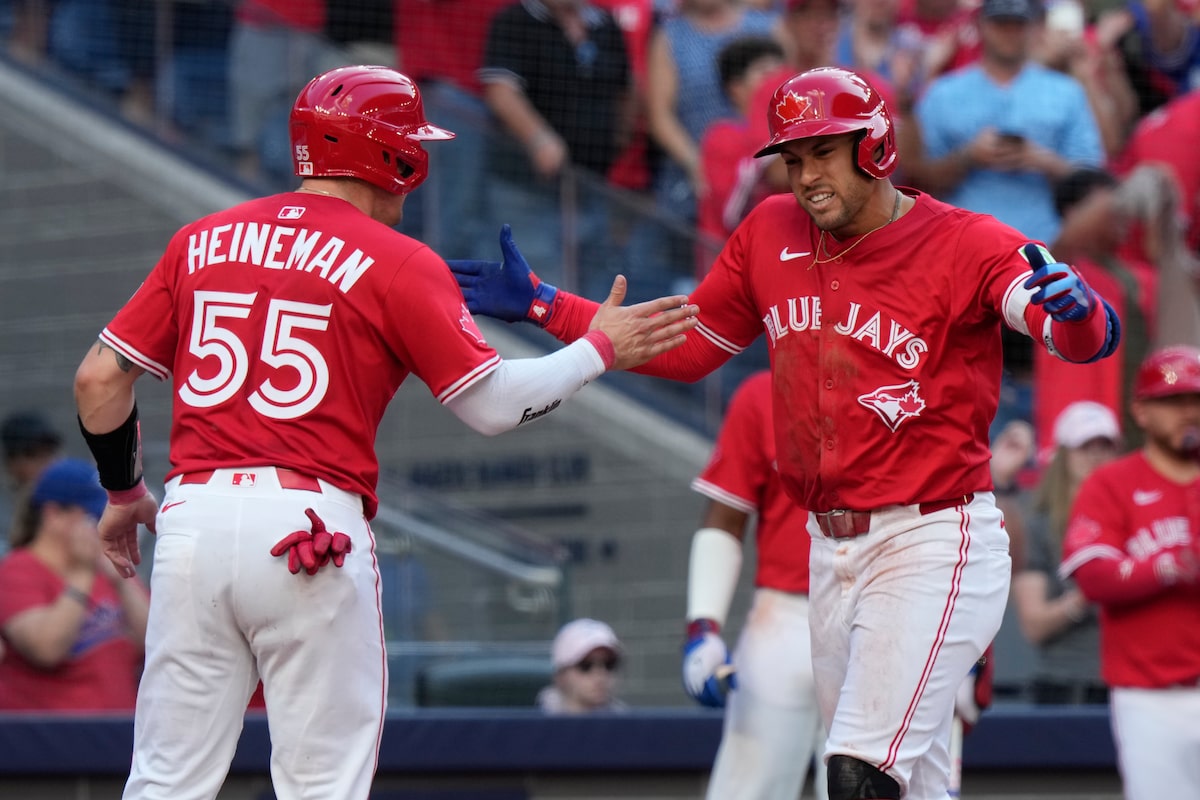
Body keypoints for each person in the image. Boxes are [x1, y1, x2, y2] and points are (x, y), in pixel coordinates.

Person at [451, 66, 1121, 800]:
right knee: (909, 784)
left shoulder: (965, 242)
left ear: (875, 148)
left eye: (822, 154)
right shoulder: (769, 230)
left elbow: (1070, 331)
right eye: (793, 159)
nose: (804, 177)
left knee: (858, 772)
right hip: (826, 549)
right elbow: (690, 342)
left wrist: (1081, 313)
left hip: (932, 538)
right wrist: (549, 306)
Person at [71, 64, 698, 800]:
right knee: (321, 788)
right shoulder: (398, 258)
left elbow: (97, 381)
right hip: (306, 531)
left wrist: (122, 489)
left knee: (164, 783)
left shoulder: (200, 239)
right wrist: (597, 349)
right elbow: (491, 406)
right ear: (391, 156)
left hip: (191, 524)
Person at [1058, 345, 1200, 800]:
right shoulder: (1112, 483)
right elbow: (1093, 575)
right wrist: (1167, 567)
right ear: (1141, 410)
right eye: (1173, 402)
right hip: (1150, 696)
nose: (1188, 413)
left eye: (1196, 401)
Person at [682, 370, 828, 800]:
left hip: (882, 609)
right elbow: (726, 516)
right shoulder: (765, 393)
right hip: (785, 615)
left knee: (876, 786)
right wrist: (702, 629)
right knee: (748, 788)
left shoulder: (904, 378)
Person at [905, 0, 1105, 247]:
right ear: (981, 25)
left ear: (1034, 28)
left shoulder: (1066, 91)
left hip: (1045, 246)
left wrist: (1042, 160)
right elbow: (918, 179)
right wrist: (968, 157)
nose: (1010, 33)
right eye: (1001, 24)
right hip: (962, 244)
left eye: (1018, 24)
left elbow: (1095, 182)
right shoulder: (943, 92)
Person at [0, 457, 150, 711]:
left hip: (120, 733)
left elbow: (158, 643)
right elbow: (46, 648)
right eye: (93, 517)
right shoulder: (18, 569)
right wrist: (82, 573)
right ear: (53, 515)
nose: (104, 525)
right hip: (52, 739)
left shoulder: (108, 565)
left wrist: (121, 582)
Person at [1012, 401, 1120, 704]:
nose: (1097, 456)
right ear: (1062, 457)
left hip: (1134, 682)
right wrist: (1087, 594)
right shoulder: (1039, 526)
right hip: (1066, 688)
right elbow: (1033, 625)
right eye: (1085, 447)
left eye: (1106, 446)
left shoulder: (1139, 519)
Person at [536, 617, 628, 713]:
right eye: (585, 665)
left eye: (609, 664)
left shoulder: (626, 723)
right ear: (561, 675)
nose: (601, 675)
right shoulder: (536, 725)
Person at [2, 411, 64, 550]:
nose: (47, 463)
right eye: (33, 455)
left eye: (50, 453)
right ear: (11, 462)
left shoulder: (69, 507)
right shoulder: (6, 510)